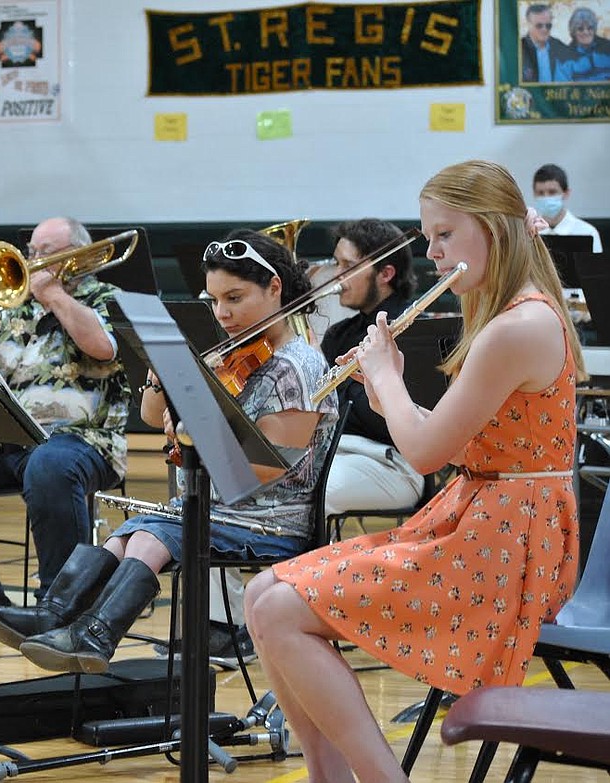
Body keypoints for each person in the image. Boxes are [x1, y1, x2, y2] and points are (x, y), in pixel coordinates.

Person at [245, 159, 585, 782]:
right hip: (480, 517)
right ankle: (331, 775)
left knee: (278, 611)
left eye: (443, 234)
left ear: (492, 230)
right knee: (259, 593)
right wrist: (388, 398)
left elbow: (426, 454)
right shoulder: (507, 316)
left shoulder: (520, 326)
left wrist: (384, 376)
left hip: (507, 546)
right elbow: (468, 446)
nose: (430, 251)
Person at [0, 230, 338, 674]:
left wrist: (195, 433)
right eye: (214, 300)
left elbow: (261, 470)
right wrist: (162, 369)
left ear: (275, 288)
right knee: (124, 534)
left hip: (267, 521)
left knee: (152, 535)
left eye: (235, 299)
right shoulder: (233, 351)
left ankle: (96, 635)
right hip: (217, 509)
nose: (222, 313)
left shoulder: (298, 368)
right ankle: (55, 614)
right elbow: (150, 413)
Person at [0, 216, 130, 624]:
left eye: (47, 253)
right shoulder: (10, 308)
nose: (34, 261)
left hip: (82, 440)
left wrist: (54, 295)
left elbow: (103, 348)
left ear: (80, 256)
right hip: (6, 437)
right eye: (32, 252)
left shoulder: (106, 297)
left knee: (48, 466)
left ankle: (60, 605)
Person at [319, 219, 425, 517]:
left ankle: (306, 564)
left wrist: (339, 392)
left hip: (394, 462)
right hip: (337, 452)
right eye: (336, 264)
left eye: (348, 266)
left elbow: (385, 422)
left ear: (385, 273)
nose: (337, 277)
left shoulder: (410, 328)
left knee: (310, 489)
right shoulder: (338, 335)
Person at [532, 163, 604, 252]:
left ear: (566, 193)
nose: (546, 197)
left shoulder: (587, 232)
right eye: (540, 193)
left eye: (552, 192)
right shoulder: (529, 233)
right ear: (534, 194)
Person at [520, 3, 575, 82]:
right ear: (528, 25)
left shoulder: (560, 47)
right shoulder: (518, 49)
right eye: (539, 26)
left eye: (548, 26)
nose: (544, 29)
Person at [556, 7, 610, 81]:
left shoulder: (607, 49)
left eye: (590, 28)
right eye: (580, 29)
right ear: (573, 32)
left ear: (594, 30)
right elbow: (563, 88)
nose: (586, 32)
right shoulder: (565, 58)